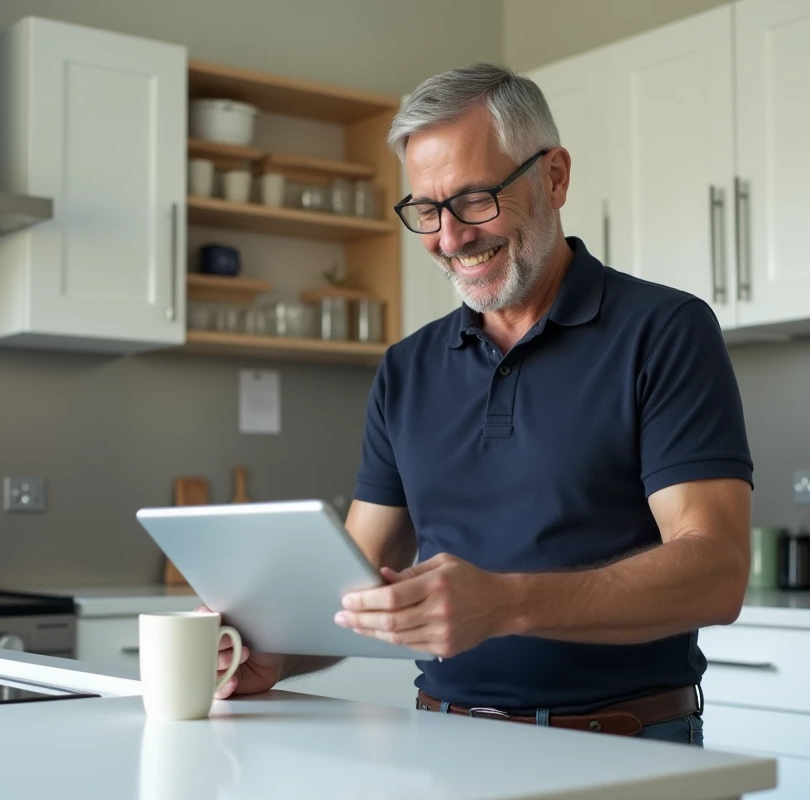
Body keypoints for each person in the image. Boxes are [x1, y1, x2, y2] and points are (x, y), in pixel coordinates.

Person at [205, 62, 753, 747]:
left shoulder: (665, 330)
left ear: (554, 177)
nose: (451, 237)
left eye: (475, 199)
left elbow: (718, 570)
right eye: (427, 210)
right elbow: (355, 592)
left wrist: (505, 604)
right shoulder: (406, 369)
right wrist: (276, 656)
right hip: (443, 747)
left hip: (624, 745)